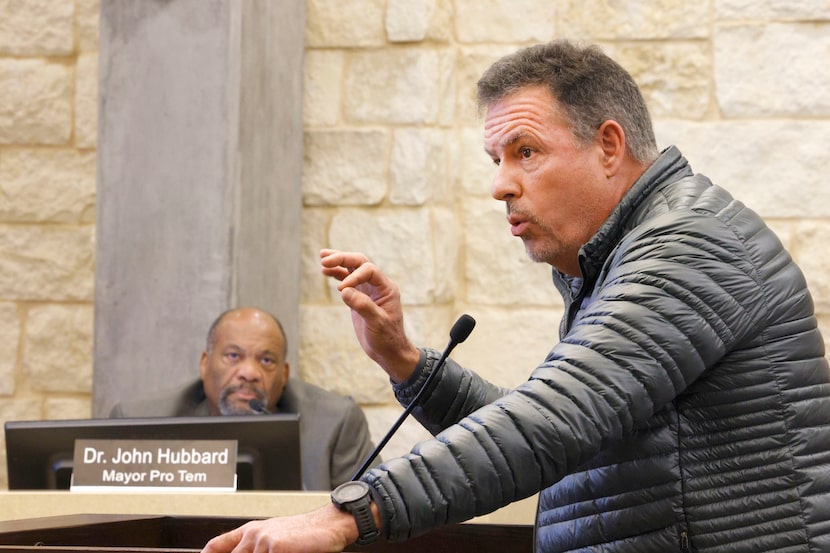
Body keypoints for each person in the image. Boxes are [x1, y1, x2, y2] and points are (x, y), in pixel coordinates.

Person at [202, 40, 830, 553]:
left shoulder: (690, 244)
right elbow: (568, 442)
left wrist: (348, 515)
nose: (501, 185)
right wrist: (406, 362)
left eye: (525, 152)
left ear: (609, 146)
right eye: (495, 158)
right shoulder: (622, 255)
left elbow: (550, 423)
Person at [110, 306, 376, 491]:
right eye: (233, 356)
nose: (249, 373)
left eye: (266, 360)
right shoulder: (141, 422)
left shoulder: (335, 424)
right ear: (205, 364)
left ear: (284, 374)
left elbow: (371, 515)